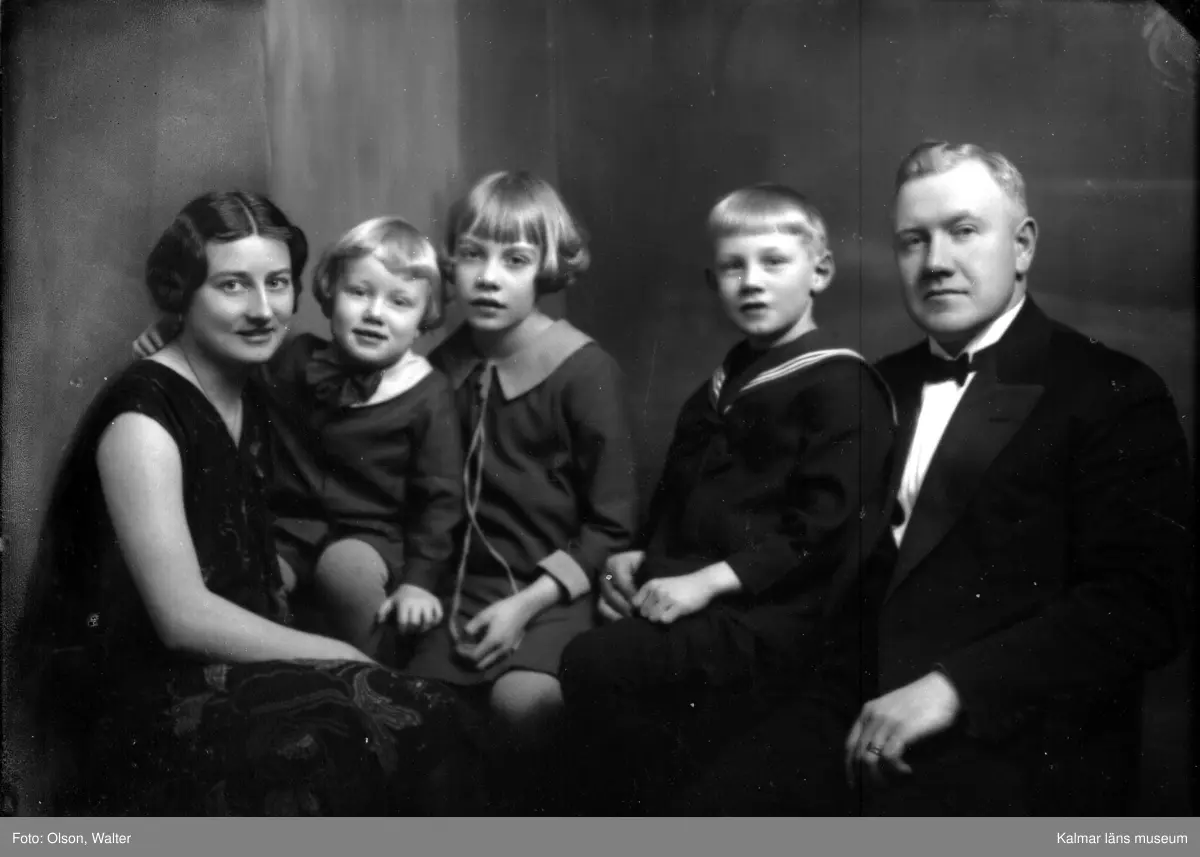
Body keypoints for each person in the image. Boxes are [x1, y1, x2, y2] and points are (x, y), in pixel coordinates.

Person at [677, 142, 1193, 816]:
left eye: (964, 231)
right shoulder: (868, 386)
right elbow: (788, 538)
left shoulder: (1111, 389)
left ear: (1023, 245)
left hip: (1013, 736)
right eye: (912, 240)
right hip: (841, 710)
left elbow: (1145, 605)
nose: (936, 261)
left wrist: (954, 688)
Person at [13, 192, 480, 816]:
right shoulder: (143, 419)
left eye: (277, 283)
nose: (263, 310)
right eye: (233, 285)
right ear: (182, 292)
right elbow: (181, 619)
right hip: (137, 688)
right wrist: (341, 655)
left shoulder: (257, 385)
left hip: (229, 658)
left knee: (436, 717)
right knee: (347, 738)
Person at [557, 184, 898, 814]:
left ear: (820, 271)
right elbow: (676, 503)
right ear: (713, 282)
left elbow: (824, 532)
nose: (752, 282)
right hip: (701, 603)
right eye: (734, 267)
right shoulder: (711, 393)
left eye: (774, 262)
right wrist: (639, 555)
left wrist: (707, 581)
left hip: (783, 619)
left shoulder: (843, 386)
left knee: (594, 663)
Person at [400, 171, 637, 810]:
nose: (488, 277)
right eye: (472, 254)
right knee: (418, 729)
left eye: (515, 260)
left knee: (526, 710)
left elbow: (612, 524)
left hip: (551, 597)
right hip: (455, 594)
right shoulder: (436, 368)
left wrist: (526, 606)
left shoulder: (584, 370)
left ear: (546, 269)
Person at [136, 217, 463, 661]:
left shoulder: (428, 393)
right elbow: (228, 372)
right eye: (359, 292)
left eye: (400, 302)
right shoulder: (297, 358)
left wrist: (419, 583)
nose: (375, 313)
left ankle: (372, 678)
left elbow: (440, 500)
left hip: (373, 539)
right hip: (289, 529)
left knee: (345, 570)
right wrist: (175, 334)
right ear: (329, 295)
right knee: (250, 577)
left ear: (425, 319)